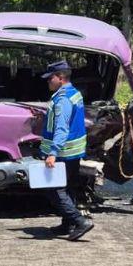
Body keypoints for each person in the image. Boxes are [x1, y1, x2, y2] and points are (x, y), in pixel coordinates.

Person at [40, 60, 94, 241]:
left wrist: (52, 153)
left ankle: (80, 221)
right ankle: (67, 224)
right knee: (68, 186)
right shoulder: (74, 93)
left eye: (50, 78)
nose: (48, 81)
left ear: (61, 77)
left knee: (53, 189)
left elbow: (62, 128)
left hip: (62, 152)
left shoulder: (62, 99)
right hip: (73, 151)